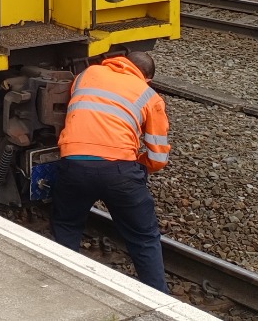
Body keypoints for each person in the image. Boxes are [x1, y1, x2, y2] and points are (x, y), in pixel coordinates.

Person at [50, 48, 170, 293]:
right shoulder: (149, 95)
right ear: (146, 78)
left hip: (74, 164)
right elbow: (158, 158)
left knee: (67, 223)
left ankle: (65, 285)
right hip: (120, 173)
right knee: (143, 238)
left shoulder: (87, 74)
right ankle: (158, 297)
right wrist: (137, 163)